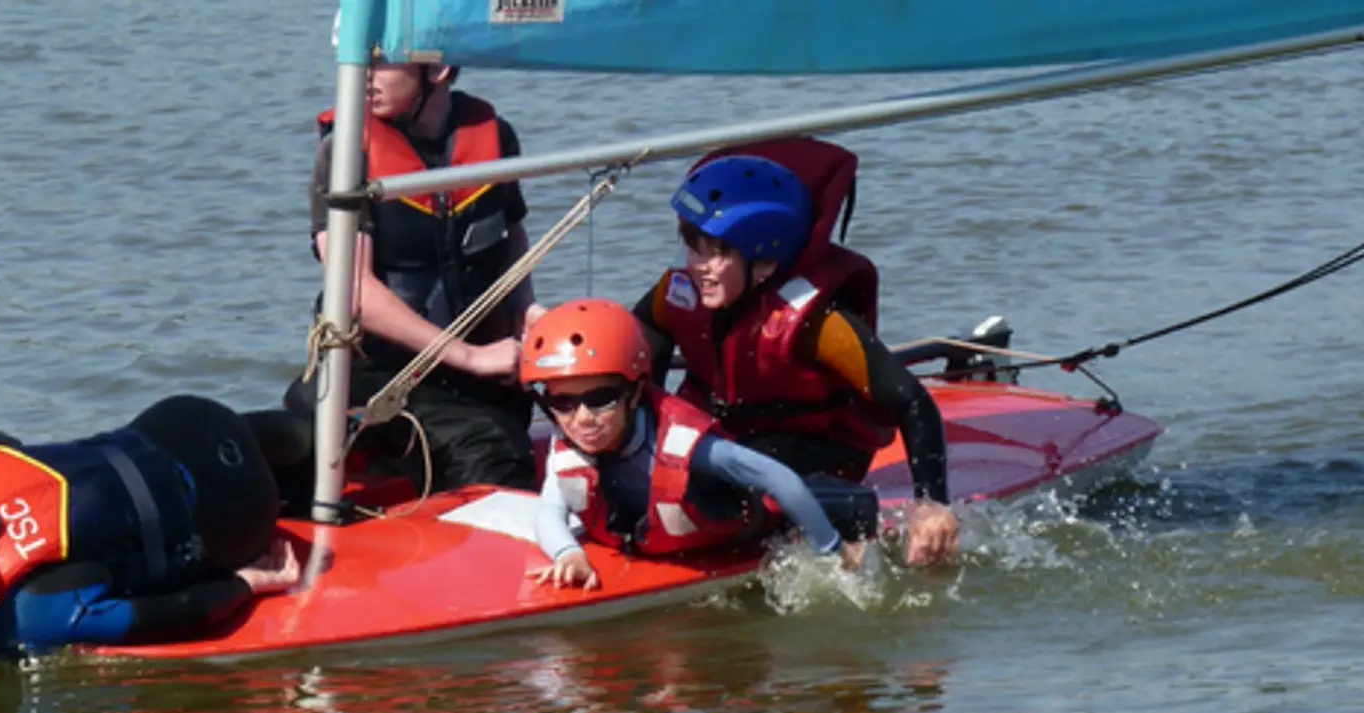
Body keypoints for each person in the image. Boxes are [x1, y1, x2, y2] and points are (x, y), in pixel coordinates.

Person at [629, 138, 961, 566]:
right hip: (730, 439)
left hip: (814, 450)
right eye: (693, 245)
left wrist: (932, 505)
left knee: (713, 481)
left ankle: (845, 516)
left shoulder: (817, 322)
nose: (698, 265)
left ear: (765, 262)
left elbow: (912, 401)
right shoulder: (676, 294)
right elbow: (636, 356)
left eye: (719, 252)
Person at [0, 395, 312, 658]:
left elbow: (172, 613)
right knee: (304, 439)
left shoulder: (28, 619)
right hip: (188, 420)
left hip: (238, 515)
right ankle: (337, 430)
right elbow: (1, 441)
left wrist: (245, 584)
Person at [291, 35, 545, 493]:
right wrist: (471, 357)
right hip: (384, 375)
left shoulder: (495, 136)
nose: (362, 77)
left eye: (380, 63)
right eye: (356, 61)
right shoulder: (345, 152)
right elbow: (354, 292)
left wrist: (528, 310)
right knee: (483, 447)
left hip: (481, 372)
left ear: (438, 69)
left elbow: (511, 237)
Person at [521, 300, 881, 589]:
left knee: (855, 506)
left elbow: (779, 479)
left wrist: (829, 554)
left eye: (601, 398)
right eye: (563, 404)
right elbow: (549, 511)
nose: (582, 418)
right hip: (682, 533)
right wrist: (568, 554)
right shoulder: (570, 446)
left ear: (634, 394)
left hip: (768, 514)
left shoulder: (685, 446)